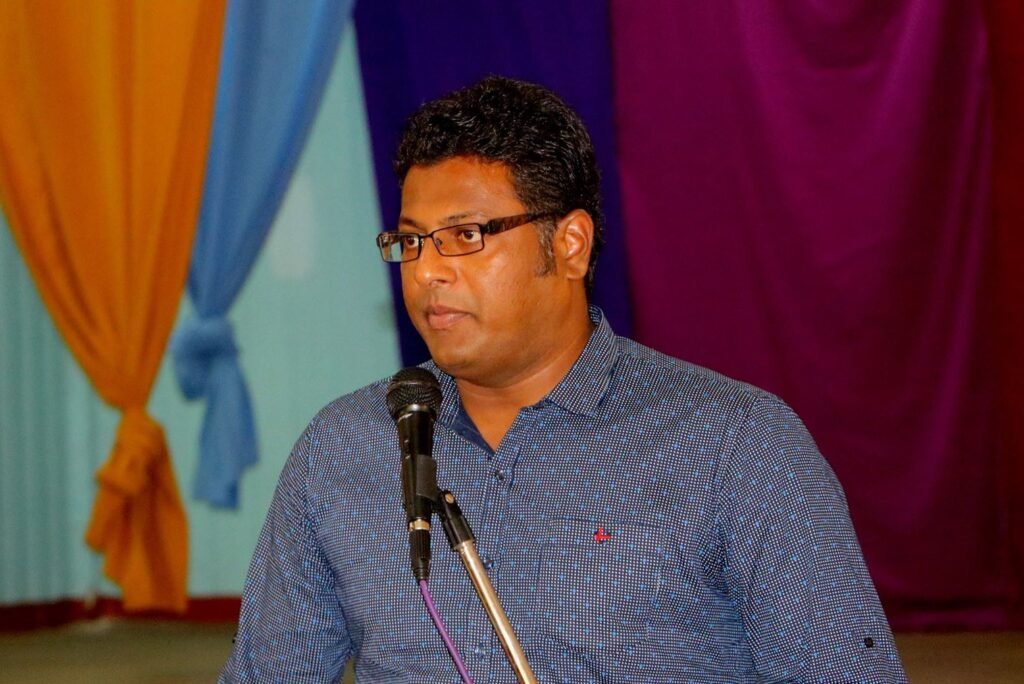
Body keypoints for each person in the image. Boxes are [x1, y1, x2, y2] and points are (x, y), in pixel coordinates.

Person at [221, 76, 907, 683]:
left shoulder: (736, 443)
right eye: (411, 242)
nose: (427, 271)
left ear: (570, 245)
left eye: (466, 236)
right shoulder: (345, 446)